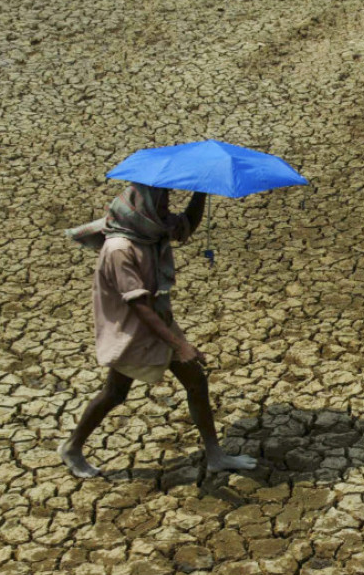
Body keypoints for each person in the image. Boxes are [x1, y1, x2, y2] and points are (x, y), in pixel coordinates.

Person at [59, 182, 256, 479]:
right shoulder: (119, 249)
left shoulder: (150, 230)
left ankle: (215, 455)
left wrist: (200, 191)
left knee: (196, 382)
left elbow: (186, 225)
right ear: (145, 206)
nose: (166, 207)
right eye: (161, 202)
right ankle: (72, 447)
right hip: (133, 332)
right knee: (115, 393)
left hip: (159, 323)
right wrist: (179, 345)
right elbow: (138, 305)